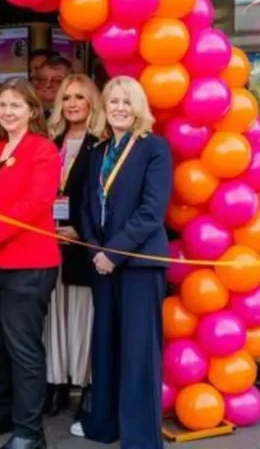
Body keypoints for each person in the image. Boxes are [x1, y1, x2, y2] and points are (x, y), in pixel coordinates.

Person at [0, 78, 61, 449]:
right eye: (3, 105)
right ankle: (0, 414)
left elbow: (34, 204)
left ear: (32, 110)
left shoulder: (43, 150)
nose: (7, 112)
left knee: (23, 348)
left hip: (28, 265)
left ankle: (29, 431)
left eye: (16, 105)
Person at [76, 75, 173, 448]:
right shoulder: (99, 150)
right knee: (105, 347)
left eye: (126, 101)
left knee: (138, 353)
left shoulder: (154, 148)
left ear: (139, 107)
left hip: (138, 266)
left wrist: (113, 254)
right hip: (102, 264)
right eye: (113, 101)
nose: (119, 108)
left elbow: (151, 212)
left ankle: (140, 439)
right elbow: (87, 207)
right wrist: (95, 252)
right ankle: (104, 425)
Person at [42, 73, 105, 418]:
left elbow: (103, 198)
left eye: (79, 97)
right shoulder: (51, 143)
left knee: (83, 318)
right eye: (66, 98)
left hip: (82, 246)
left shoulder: (102, 144)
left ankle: (86, 386)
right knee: (54, 318)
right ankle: (56, 384)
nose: (72, 104)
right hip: (50, 245)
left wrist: (81, 231)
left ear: (91, 102)